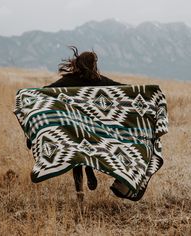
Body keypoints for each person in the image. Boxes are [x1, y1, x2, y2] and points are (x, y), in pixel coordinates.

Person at [27, 46, 123, 200]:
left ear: (78, 64)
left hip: (74, 128)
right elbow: (122, 89)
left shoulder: (69, 80)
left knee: (76, 155)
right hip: (93, 129)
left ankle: (79, 191)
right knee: (91, 148)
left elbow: (46, 91)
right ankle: (90, 167)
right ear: (93, 65)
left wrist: (27, 99)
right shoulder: (98, 80)